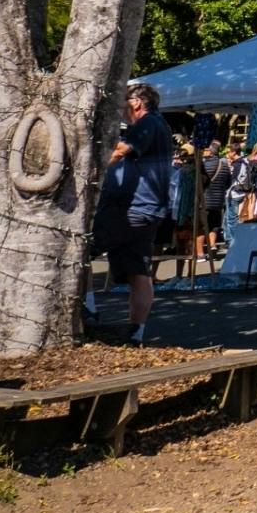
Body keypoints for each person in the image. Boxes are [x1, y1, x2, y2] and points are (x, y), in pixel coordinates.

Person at [89, 86, 174, 344]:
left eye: (123, 103)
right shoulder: (161, 126)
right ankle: (136, 331)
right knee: (139, 270)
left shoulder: (147, 124)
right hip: (148, 210)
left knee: (79, 250)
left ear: (137, 102)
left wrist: (87, 171)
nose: (121, 111)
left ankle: (87, 307)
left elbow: (118, 152)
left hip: (129, 209)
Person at [199, 143, 233, 253]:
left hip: (204, 200)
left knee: (202, 226)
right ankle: (212, 245)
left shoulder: (203, 165)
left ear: (209, 151)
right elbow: (228, 183)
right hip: (218, 201)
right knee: (214, 225)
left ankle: (200, 252)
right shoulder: (224, 165)